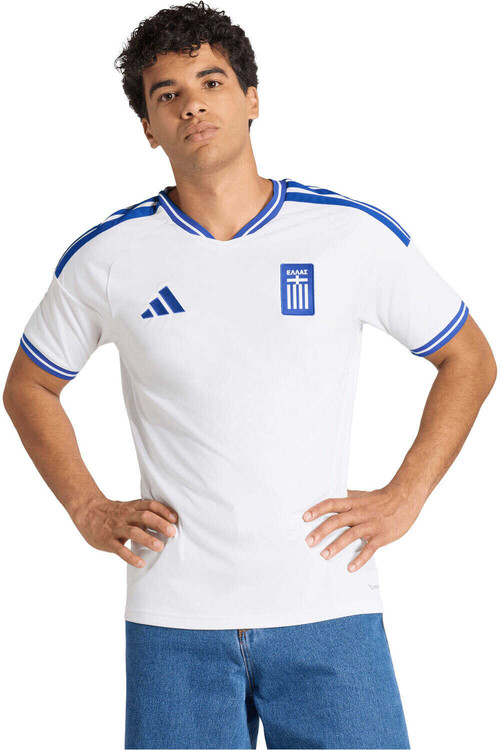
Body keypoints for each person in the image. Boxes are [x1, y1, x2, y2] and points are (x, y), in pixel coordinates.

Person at [3, 3, 496, 749]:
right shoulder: (109, 256)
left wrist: (406, 496)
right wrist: (88, 508)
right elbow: (29, 386)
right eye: (167, 93)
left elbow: (469, 357)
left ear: (252, 99)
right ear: (148, 126)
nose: (192, 104)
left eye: (211, 82)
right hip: (175, 619)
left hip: (328, 605)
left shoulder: (348, 235)